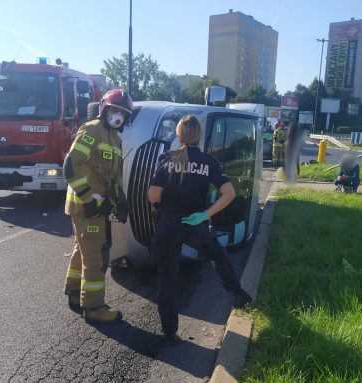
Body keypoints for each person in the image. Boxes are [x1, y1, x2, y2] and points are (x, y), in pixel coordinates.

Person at [148, 115, 252, 345]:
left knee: (167, 280)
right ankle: (237, 293)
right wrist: (205, 215)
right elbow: (230, 194)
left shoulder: (166, 159)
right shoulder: (208, 162)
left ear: (178, 135)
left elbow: (153, 195)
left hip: (168, 225)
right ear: (199, 136)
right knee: (218, 254)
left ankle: (170, 333)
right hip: (196, 224)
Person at [63, 89, 132, 323]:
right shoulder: (92, 130)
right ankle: (94, 308)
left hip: (95, 208)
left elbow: (113, 179)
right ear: (104, 109)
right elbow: (72, 166)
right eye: (115, 111)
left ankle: (74, 293)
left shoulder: (115, 139)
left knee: (82, 251)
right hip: (86, 207)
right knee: (95, 258)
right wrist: (88, 200)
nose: (118, 116)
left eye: (123, 113)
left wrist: (120, 202)